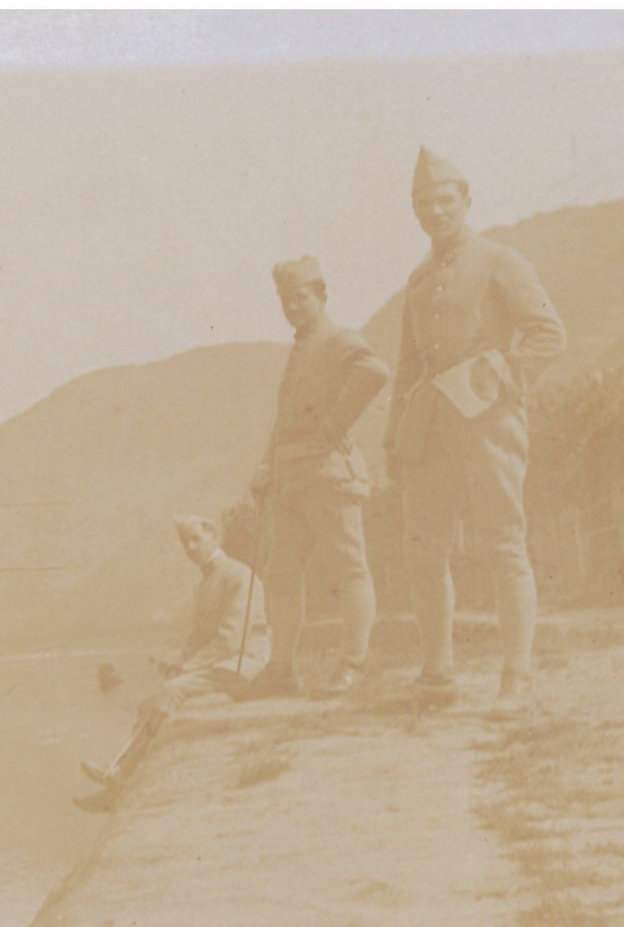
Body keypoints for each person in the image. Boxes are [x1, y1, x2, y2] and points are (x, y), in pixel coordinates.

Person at [385, 148, 567, 707]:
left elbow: (547, 334)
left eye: (445, 201)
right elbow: (408, 368)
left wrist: (496, 377)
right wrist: (394, 440)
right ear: (414, 212)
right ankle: (438, 674)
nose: (435, 211)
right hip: (430, 432)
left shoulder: (499, 261)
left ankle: (517, 676)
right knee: (425, 551)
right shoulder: (417, 281)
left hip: (490, 423)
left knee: (503, 544)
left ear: (466, 201)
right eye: (423, 204)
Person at [247, 257, 390, 700]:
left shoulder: (337, 339)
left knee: (349, 568)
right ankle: (282, 669)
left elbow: (374, 373)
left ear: (322, 296)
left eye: (301, 297)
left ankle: (352, 665)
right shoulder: (302, 347)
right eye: (286, 300)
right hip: (290, 476)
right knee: (282, 574)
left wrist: (331, 428)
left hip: (328, 471)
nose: (292, 306)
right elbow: (284, 418)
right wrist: (266, 467)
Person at [75, 514, 269, 812]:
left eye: (196, 540)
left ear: (214, 538)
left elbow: (232, 638)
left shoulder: (239, 576)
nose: (190, 548)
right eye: (185, 543)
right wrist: (180, 659)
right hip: (221, 662)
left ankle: (121, 774)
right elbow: (198, 637)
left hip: (245, 663)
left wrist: (190, 667)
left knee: (172, 690)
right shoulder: (204, 586)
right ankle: (117, 784)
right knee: (149, 703)